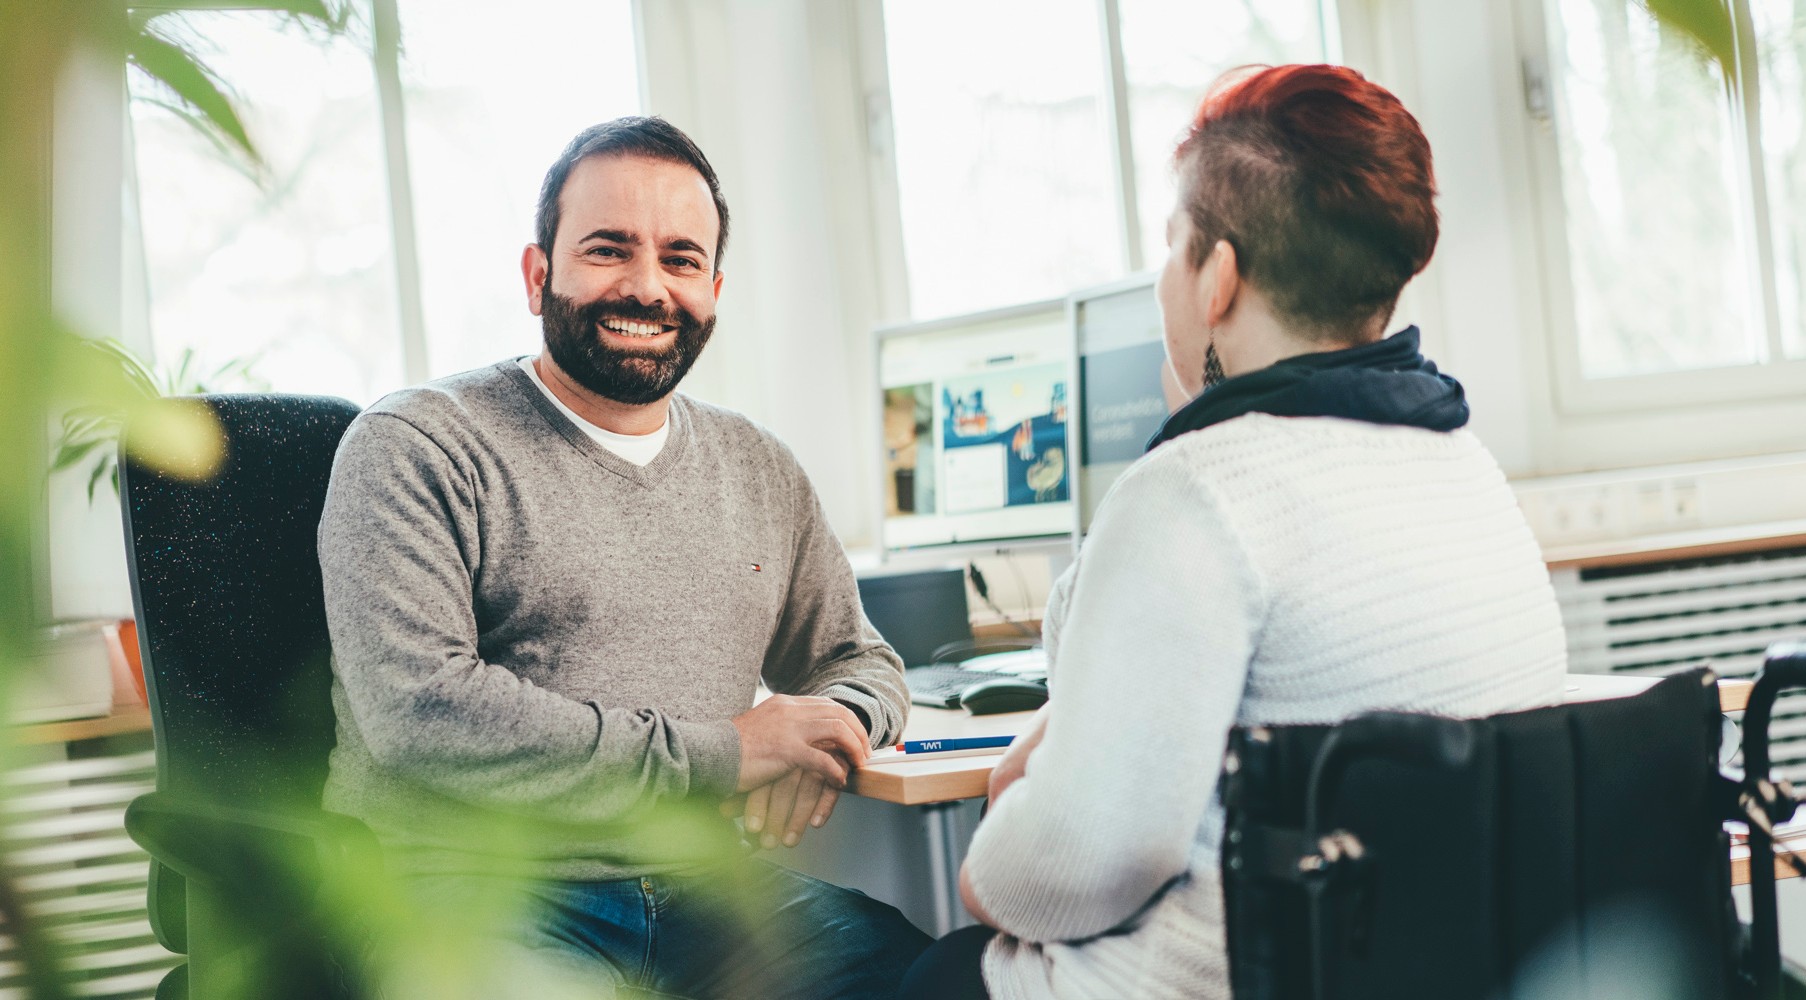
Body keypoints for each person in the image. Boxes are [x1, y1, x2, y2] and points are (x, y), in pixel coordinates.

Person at [899, 65, 1569, 999]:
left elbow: (1081, 866)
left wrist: (986, 872)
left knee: (915, 971)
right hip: (1433, 964)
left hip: (1238, 976)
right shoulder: (1461, 459)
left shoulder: (1197, 492)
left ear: (1216, 276)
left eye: (1173, 249)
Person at [318, 116, 929, 998]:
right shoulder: (417, 444)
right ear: (539, 276)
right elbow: (423, 714)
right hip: (471, 892)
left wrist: (822, 736)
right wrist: (729, 754)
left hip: (703, 896)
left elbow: (861, 662)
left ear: (714, 289)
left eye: (681, 259)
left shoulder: (759, 468)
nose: (648, 287)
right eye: (609, 250)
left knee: (932, 976)